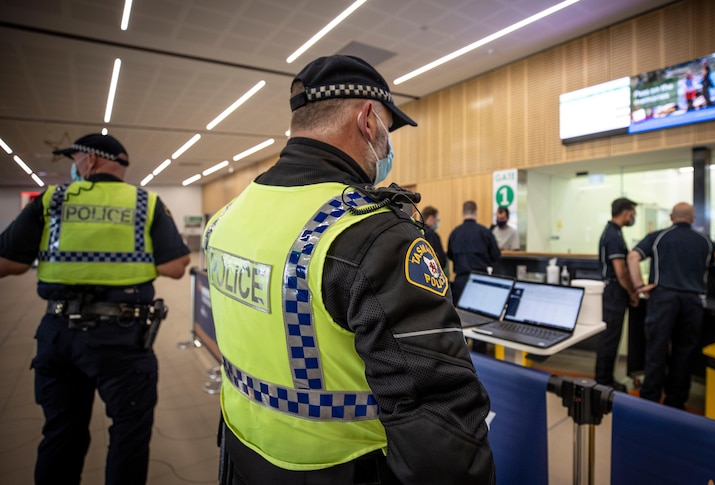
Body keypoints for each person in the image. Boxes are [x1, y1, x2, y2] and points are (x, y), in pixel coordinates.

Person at [205, 55, 494, 484]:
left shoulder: (228, 217)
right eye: (389, 130)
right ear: (368, 120)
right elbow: (435, 413)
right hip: (345, 468)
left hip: (243, 454)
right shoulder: (373, 236)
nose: (388, 145)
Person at [0, 133, 191, 485]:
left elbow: (7, 262)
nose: (74, 168)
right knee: (128, 434)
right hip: (122, 336)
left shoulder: (52, 200)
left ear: (89, 160)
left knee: (61, 434)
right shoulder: (144, 203)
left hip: (58, 333)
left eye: (74, 160)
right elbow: (175, 266)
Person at [627, 203, 713, 409]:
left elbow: (632, 256)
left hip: (663, 299)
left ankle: (650, 400)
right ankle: (676, 402)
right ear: (692, 218)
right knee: (684, 353)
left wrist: (639, 286)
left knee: (656, 350)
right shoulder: (706, 241)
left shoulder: (658, 237)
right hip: (693, 301)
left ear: (672, 217)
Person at [594, 197, 639, 391]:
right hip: (614, 291)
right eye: (633, 213)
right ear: (627, 212)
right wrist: (632, 291)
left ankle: (605, 379)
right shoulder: (613, 235)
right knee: (610, 338)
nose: (634, 217)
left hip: (612, 290)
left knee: (611, 338)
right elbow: (620, 271)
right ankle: (604, 382)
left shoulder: (614, 232)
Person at [447, 200, 501, 303]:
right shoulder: (485, 232)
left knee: (461, 315)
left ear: (463, 213)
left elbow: (450, 255)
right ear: (476, 212)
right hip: (480, 281)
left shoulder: (454, 233)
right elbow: (496, 256)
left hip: (460, 281)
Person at [420, 205, 447, 275]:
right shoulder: (432, 235)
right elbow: (441, 261)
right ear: (431, 218)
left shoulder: (416, 232)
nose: (437, 222)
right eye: (437, 220)